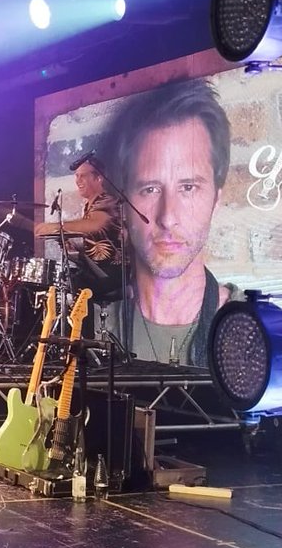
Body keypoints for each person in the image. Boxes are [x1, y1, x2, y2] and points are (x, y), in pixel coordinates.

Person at [98, 78, 239, 367]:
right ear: (123, 204)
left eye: (188, 187)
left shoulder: (266, 339)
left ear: (216, 198)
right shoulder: (86, 334)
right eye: (149, 189)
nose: (168, 217)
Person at [34, 157, 124, 298]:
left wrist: (56, 227)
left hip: (113, 273)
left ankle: (77, 320)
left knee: (70, 283)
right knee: (60, 278)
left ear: (98, 178)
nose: (78, 180)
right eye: (77, 176)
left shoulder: (107, 202)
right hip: (97, 270)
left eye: (83, 176)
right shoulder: (89, 206)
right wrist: (74, 250)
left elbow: (95, 224)